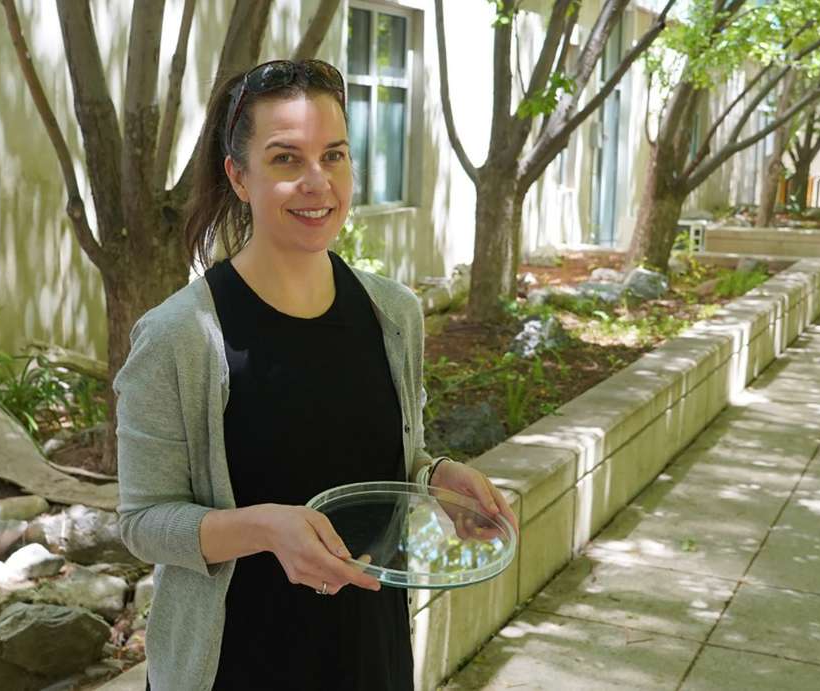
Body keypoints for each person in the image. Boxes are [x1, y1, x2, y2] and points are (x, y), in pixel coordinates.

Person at [113, 58, 518, 691]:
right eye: (285, 159)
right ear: (238, 177)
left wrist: (437, 478)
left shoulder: (394, 313)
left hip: (370, 652)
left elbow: (386, 469)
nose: (317, 182)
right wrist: (265, 528)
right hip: (237, 664)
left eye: (334, 156)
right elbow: (142, 522)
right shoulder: (179, 336)